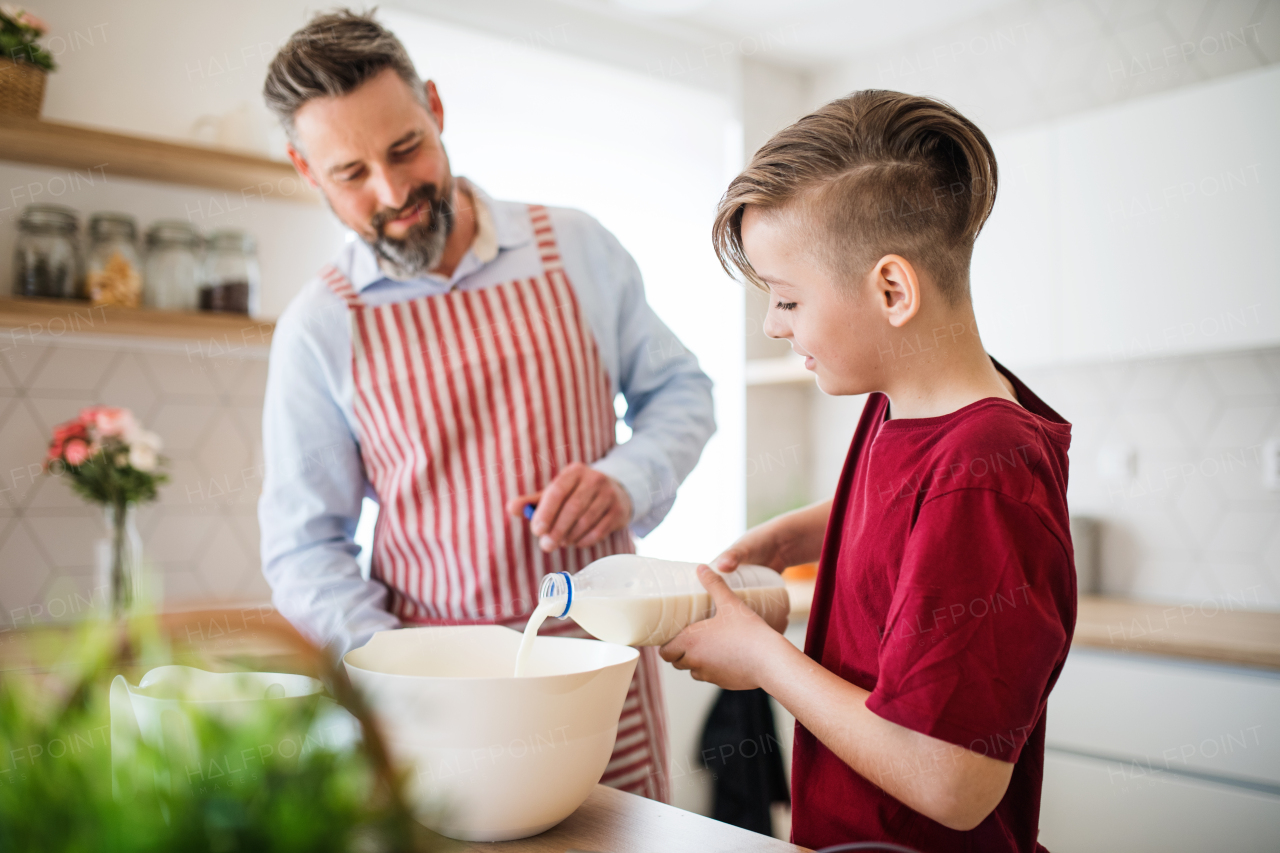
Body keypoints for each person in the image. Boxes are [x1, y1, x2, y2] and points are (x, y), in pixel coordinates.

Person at [256, 10, 716, 803]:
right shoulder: (319, 327)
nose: (393, 192)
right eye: (351, 173)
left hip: (597, 676)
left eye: (405, 149)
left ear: (434, 106)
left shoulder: (575, 247)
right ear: (306, 171)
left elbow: (682, 391)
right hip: (435, 704)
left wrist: (625, 478)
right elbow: (304, 549)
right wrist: (400, 669)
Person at [660, 90, 1075, 851]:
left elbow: (951, 781)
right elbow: (917, 503)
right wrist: (804, 531)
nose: (772, 324)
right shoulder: (907, 407)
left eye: (786, 298)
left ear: (892, 289)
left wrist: (764, 660)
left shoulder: (985, 473)